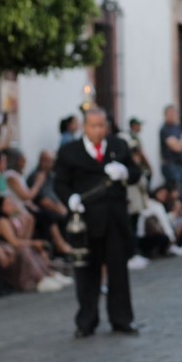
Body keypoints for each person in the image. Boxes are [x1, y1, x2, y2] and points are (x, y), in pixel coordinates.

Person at [55, 107, 142, 338]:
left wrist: (124, 171)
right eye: (93, 125)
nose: (98, 130)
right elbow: (61, 183)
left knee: (118, 270)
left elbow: (136, 173)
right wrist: (70, 199)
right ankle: (86, 321)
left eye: (102, 125)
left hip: (114, 218)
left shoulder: (118, 146)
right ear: (85, 127)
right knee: (86, 272)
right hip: (86, 219)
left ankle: (122, 319)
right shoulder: (69, 151)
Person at [159, 105, 182, 192]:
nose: (173, 115)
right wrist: (181, 144)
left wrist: (179, 143)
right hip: (170, 165)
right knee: (174, 192)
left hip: (180, 164)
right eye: (170, 113)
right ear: (165, 115)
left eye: (174, 113)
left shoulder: (178, 127)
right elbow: (176, 148)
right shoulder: (164, 129)